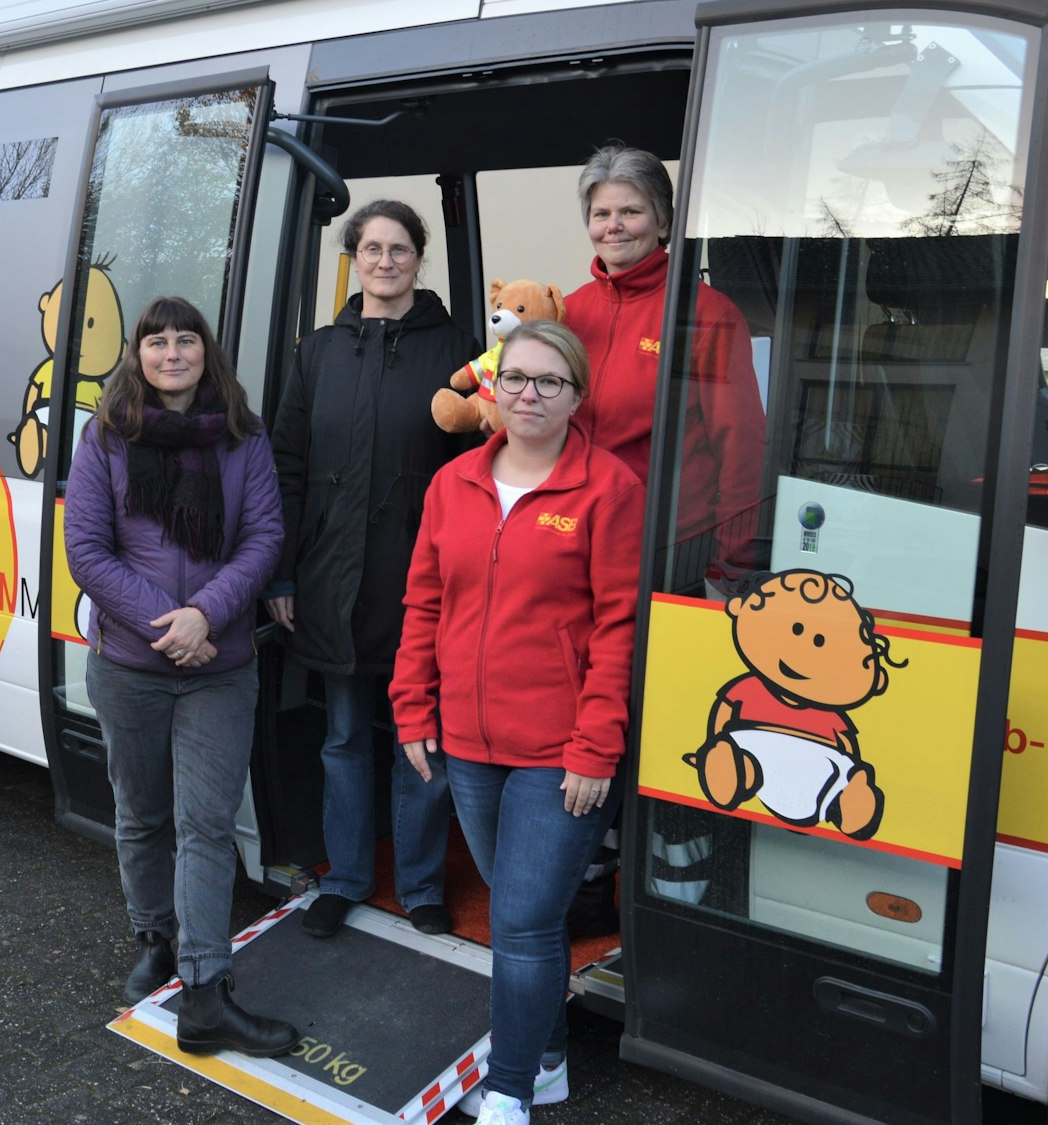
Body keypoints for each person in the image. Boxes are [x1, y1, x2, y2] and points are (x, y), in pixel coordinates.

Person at [390, 321, 643, 1125]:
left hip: (561, 752)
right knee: (517, 906)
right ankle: (551, 1058)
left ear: (577, 395)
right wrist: (411, 706)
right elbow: (424, 603)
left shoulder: (609, 489)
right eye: (515, 378)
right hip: (467, 741)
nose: (529, 393)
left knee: (524, 920)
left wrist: (596, 745)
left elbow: (620, 629)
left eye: (549, 381)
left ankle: (509, 1089)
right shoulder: (453, 482)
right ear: (492, 390)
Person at [64, 295, 297, 1057]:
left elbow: (263, 536)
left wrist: (206, 614)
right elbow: (86, 549)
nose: (172, 353)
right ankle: (155, 937)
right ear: (137, 353)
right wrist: (169, 626)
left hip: (219, 667)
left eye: (186, 340)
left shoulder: (243, 435)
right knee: (141, 813)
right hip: (131, 664)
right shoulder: (106, 436)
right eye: (157, 341)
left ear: (206, 350)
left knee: (206, 824)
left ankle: (204, 989)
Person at [267, 199, 479, 940]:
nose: (385, 261)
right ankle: (348, 878)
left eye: (399, 249)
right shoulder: (318, 352)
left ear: (419, 258)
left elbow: (476, 469)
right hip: (331, 578)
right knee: (344, 738)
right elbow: (287, 466)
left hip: (423, 582)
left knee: (423, 746)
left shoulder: (457, 350)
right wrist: (283, 574)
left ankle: (421, 886)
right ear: (353, 259)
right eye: (371, 249)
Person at [563, 144, 764, 594]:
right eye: (601, 214)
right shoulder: (567, 312)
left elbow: (742, 446)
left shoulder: (704, 314)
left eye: (631, 212)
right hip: (575, 542)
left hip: (668, 552)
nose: (613, 226)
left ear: (664, 223)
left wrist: (732, 561)